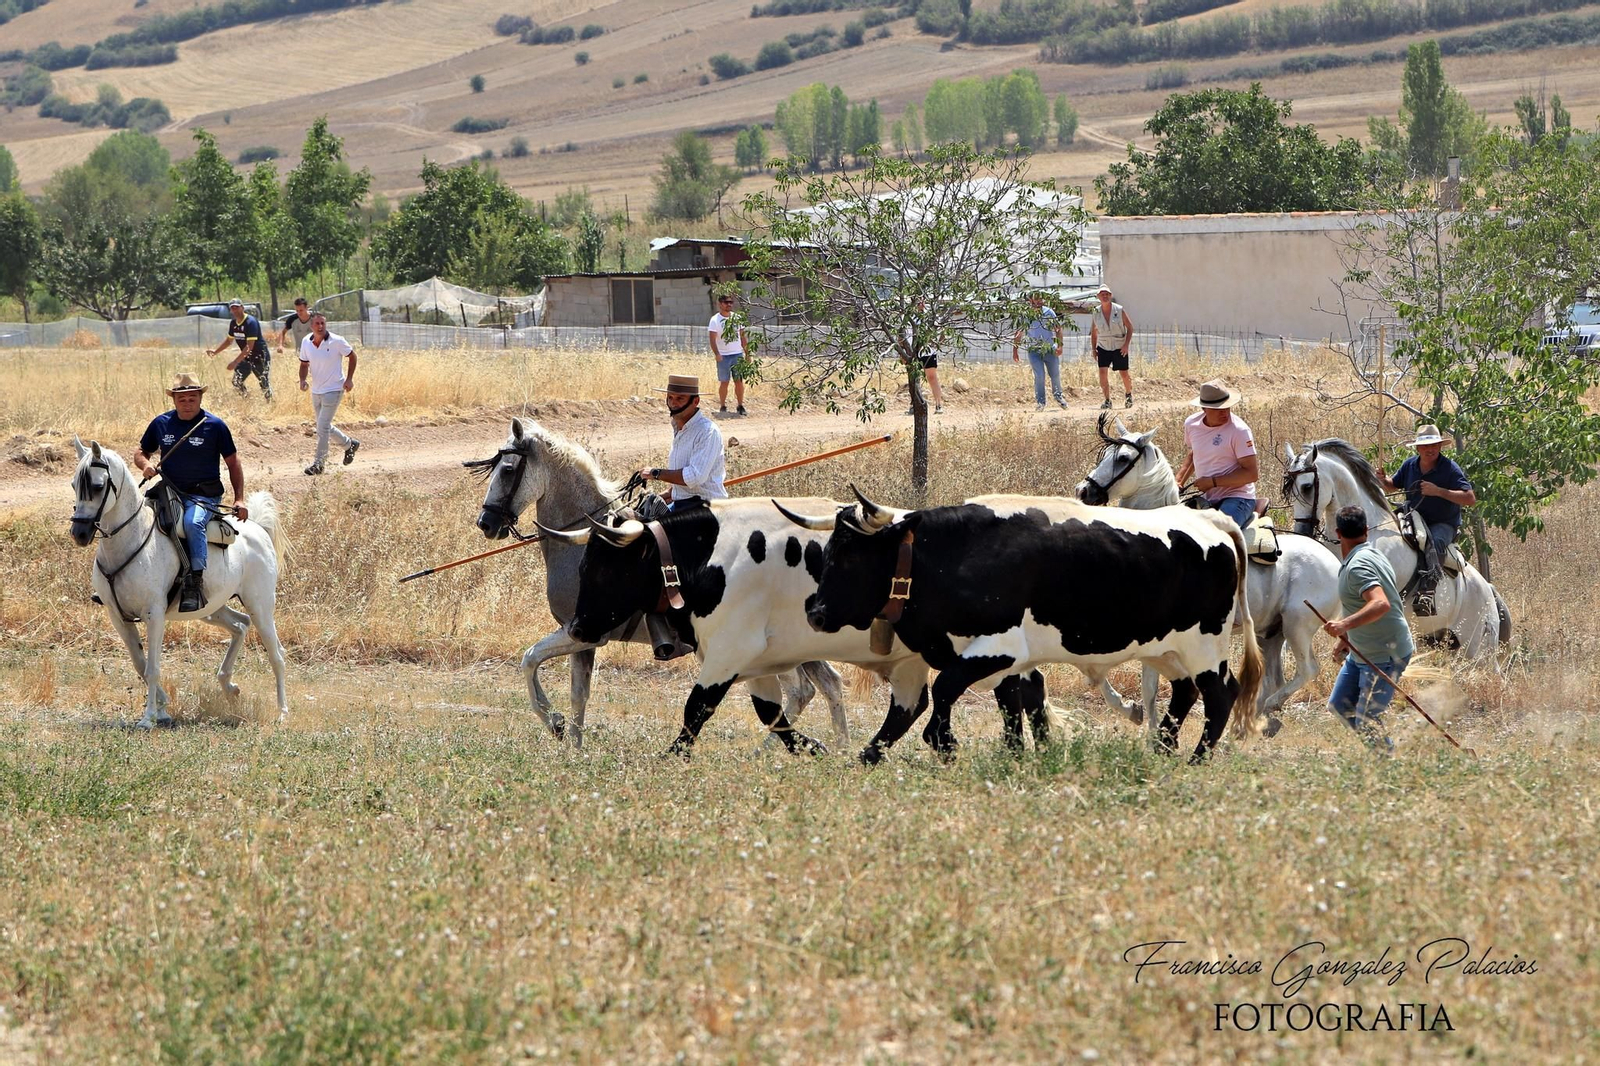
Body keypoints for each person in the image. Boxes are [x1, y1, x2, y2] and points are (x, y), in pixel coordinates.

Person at [133, 373, 247, 614]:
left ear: (200, 398)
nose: (187, 403)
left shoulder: (215, 426)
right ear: (174, 399)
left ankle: (195, 583)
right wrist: (145, 465)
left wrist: (239, 499)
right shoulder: (161, 423)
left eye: (192, 398)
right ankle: (123, 580)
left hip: (203, 494)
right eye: (182, 399)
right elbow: (141, 452)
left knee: (192, 523)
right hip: (168, 491)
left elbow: (233, 463)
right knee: (134, 517)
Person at [1322, 504, 1414, 754]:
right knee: (1340, 706)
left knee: (1367, 719)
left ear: (1337, 533)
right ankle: (1379, 753)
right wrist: (1345, 637)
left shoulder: (1358, 566)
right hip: (1361, 653)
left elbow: (1380, 603)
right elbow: (1357, 602)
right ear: (1366, 530)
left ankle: (1387, 762)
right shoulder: (1372, 553)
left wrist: (1344, 624)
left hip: (1386, 655)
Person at [1376, 423, 1476, 617]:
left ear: (1439, 446)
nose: (1430, 449)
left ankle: (1427, 592)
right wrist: (1383, 480)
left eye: (1434, 445)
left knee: (1435, 542)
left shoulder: (1450, 468)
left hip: (1443, 522)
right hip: (1413, 517)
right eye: (1425, 445)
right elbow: (1392, 486)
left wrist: (1438, 491)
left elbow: (1469, 498)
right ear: (1418, 448)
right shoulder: (1410, 465)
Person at [1175, 379, 1259, 530]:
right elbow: (1194, 453)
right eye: (1218, 409)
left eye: (1227, 407)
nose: (1225, 413)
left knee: (1218, 533)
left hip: (1238, 497)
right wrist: (1178, 482)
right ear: (1204, 408)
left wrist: (1213, 482)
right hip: (1207, 497)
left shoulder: (1239, 431)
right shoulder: (1191, 424)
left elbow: (1251, 474)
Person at [635, 374, 727, 512]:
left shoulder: (707, 431)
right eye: (670, 398)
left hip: (706, 508)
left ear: (695, 401)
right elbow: (688, 483)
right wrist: (670, 493)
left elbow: (694, 477)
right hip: (683, 504)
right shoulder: (679, 427)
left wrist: (656, 473)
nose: (673, 403)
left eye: (680, 398)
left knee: (653, 526)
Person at [298, 312, 361, 475]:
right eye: (317, 323)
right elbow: (304, 364)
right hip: (316, 390)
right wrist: (302, 380)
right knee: (323, 425)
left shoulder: (337, 341)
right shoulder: (306, 342)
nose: (320, 326)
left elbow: (352, 356)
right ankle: (349, 444)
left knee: (322, 427)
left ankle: (319, 464)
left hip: (334, 389)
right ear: (311, 326)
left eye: (323, 323)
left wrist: (349, 379)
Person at [208, 297, 272, 399]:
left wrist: (235, 362)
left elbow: (249, 346)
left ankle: (270, 403)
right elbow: (229, 341)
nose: (235, 310)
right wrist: (215, 352)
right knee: (236, 381)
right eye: (232, 308)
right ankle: (246, 400)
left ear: (242, 308)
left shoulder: (251, 322)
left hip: (260, 357)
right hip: (246, 357)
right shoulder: (233, 324)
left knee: (263, 382)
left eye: (237, 307)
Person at [1012, 292, 1065, 411]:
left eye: (1041, 299)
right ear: (1030, 301)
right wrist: (1015, 350)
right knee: (1039, 376)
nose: (1040, 301)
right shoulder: (1026, 315)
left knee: (1055, 374)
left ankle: (1059, 397)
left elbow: (1058, 329)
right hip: (1034, 350)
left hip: (1049, 349)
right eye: (1037, 299)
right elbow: (1019, 333)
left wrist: (1060, 346)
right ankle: (1041, 402)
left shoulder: (1049, 312)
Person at [1088, 284, 1134, 411]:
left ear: (1110, 295)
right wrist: (1094, 349)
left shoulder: (1119, 310)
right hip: (1103, 346)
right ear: (1098, 297)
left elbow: (1130, 327)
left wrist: (1126, 345)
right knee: (1102, 373)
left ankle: (1128, 395)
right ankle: (1107, 400)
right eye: (1102, 294)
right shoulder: (1096, 312)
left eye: (1107, 294)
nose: (1105, 296)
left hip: (1119, 346)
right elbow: (1094, 332)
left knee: (1124, 373)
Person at [899, 305, 944, 415]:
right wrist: (902, 351)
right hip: (912, 351)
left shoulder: (932, 315)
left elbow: (943, 334)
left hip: (928, 352)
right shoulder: (907, 316)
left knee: (932, 377)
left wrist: (936, 345)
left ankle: (938, 404)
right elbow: (901, 334)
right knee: (914, 379)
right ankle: (914, 404)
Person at [708, 293, 747, 417]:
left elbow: (742, 337)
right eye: (726, 302)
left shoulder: (737, 318)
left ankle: (740, 405)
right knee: (724, 382)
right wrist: (717, 354)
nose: (729, 305)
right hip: (723, 356)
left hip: (737, 354)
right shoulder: (715, 320)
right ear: (720, 304)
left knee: (739, 381)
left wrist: (747, 353)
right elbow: (712, 340)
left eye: (731, 302)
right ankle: (722, 405)